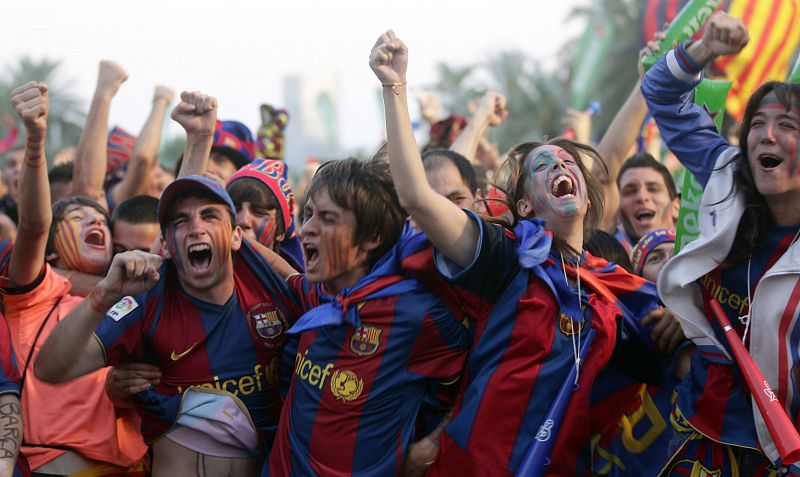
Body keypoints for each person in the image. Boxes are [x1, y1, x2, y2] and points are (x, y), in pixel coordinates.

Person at [371, 30, 677, 475]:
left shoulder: (616, 287)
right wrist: (393, 86)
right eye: (543, 166)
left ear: (590, 200)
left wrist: (682, 317)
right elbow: (418, 196)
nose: (559, 166)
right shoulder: (505, 257)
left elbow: (683, 359)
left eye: (567, 162)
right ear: (525, 207)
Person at [643, 11, 800, 475]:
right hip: (691, 426)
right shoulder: (724, 175)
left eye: (788, 126)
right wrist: (704, 48)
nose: (767, 135)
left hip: (776, 454)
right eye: (758, 123)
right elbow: (662, 93)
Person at [267, 157, 469, 477]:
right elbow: (282, 271)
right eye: (307, 215)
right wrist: (234, 238)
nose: (307, 228)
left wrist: (433, 442)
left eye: (328, 218)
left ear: (371, 237)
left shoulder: (415, 312)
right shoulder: (318, 292)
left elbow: (481, 377)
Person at [4, 81, 147, 476]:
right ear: (51, 253)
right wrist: (36, 141)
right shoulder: (35, 294)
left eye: (100, 219)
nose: (94, 221)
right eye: (78, 219)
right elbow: (33, 225)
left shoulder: (133, 299)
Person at [227, 159, 304, 271]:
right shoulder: (205, 279)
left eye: (259, 212)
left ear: (281, 232)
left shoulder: (295, 287)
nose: (244, 221)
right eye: (235, 209)